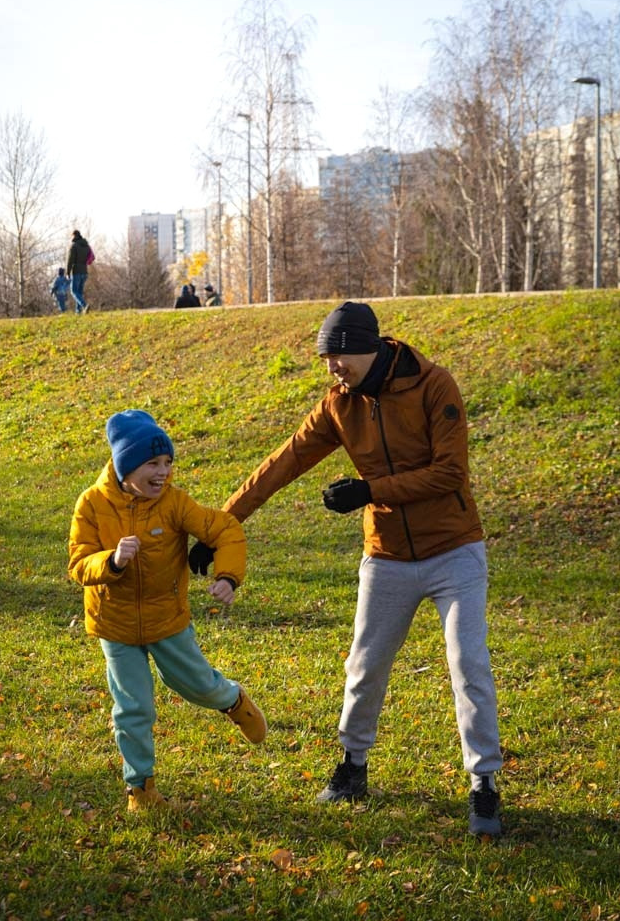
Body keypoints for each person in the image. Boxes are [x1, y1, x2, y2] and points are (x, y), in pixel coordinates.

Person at [189, 301, 503, 836]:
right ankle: (353, 767)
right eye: (325, 358)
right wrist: (219, 526)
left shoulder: (434, 386)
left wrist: (371, 490)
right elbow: (282, 463)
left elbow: (450, 474)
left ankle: (484, 786)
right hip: (387, 557)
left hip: (455, 550)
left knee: (467, 665)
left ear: (370, 346)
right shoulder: (340, 404)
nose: (332, 367)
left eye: (339, 356)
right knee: (364, 665)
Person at [68, 409, 267, 812]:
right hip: (115, 625)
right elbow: (78, 565)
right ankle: (140, 790)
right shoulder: (91, 504)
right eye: (152, 464)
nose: (163, 472)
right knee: (133, 707)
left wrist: (228, 577)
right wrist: (112, 561)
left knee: (197, 685)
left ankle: (232, 699)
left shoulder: (174, 503)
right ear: (126, 465)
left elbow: (225, 529)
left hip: (167, 621)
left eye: (168, 463)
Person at [66, 229, 91, 313]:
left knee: (74, 291)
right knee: (79, 292)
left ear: (74, 236)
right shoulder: (86, 246)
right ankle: (78, 311)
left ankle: (84, 305)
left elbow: (70, 260)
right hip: (85, 271)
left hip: (76, 271)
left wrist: (68, 272)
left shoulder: (74, 246)